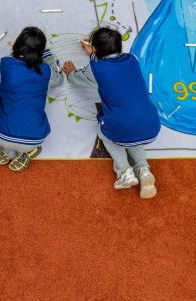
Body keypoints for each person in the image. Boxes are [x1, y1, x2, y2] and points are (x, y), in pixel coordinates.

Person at [62, 27, 161, 198]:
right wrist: (94, 53)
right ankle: (143, 169)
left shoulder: (96, 68)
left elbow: (78, 80)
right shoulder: (133, 59)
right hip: (151, 124)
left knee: (106, 133)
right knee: (134, 133)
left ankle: (124, 172)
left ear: (95, 48)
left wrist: (71, 74)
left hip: (122, 126)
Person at [0, 26, 64, 172]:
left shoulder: (5, 63)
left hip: (1, 133)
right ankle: (27, 153)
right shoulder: (46, 69)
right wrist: (49, 57)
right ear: (41, 52)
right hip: (34, 139)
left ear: (17, 44)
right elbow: (58, 80)